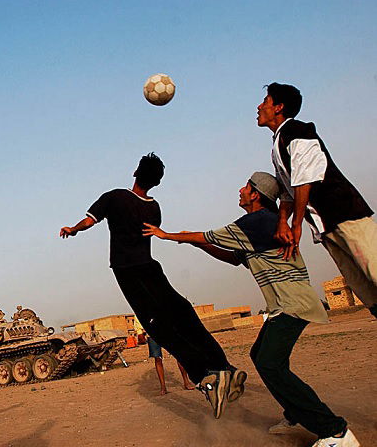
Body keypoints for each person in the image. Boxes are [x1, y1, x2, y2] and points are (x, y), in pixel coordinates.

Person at [144, 172, 360, 447]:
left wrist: (170, 235)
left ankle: (335, 431)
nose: (240, 190)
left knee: (271, 364)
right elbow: (233, 257)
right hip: (283, 305)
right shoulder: (259, 228)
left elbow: (212, 235)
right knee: (260, 356)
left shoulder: (258, 221)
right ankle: (295, 412)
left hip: (294, 304)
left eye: (246, 187)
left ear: (256, 194)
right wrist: (194, 242)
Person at [59, 152, 245, 419]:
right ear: (157, 182)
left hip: (129, 273)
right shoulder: (154, 208)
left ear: (135, 172)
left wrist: (73, 229)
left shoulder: (114, 197)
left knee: (159, 328)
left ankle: (207, 377)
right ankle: (224, 366)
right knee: (183, 313)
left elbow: (89, 221)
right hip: (151, 268)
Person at [256, 82, 377, 318]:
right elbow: (288, 190)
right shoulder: (278, 144)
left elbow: (304, 180)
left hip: (346, 216)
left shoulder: (298, 131)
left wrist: (296, 224)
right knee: (363, 287)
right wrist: (283, 220)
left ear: (279, 107)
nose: (259, 106)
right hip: (326, 226)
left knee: (374, 268)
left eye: (266, 101)